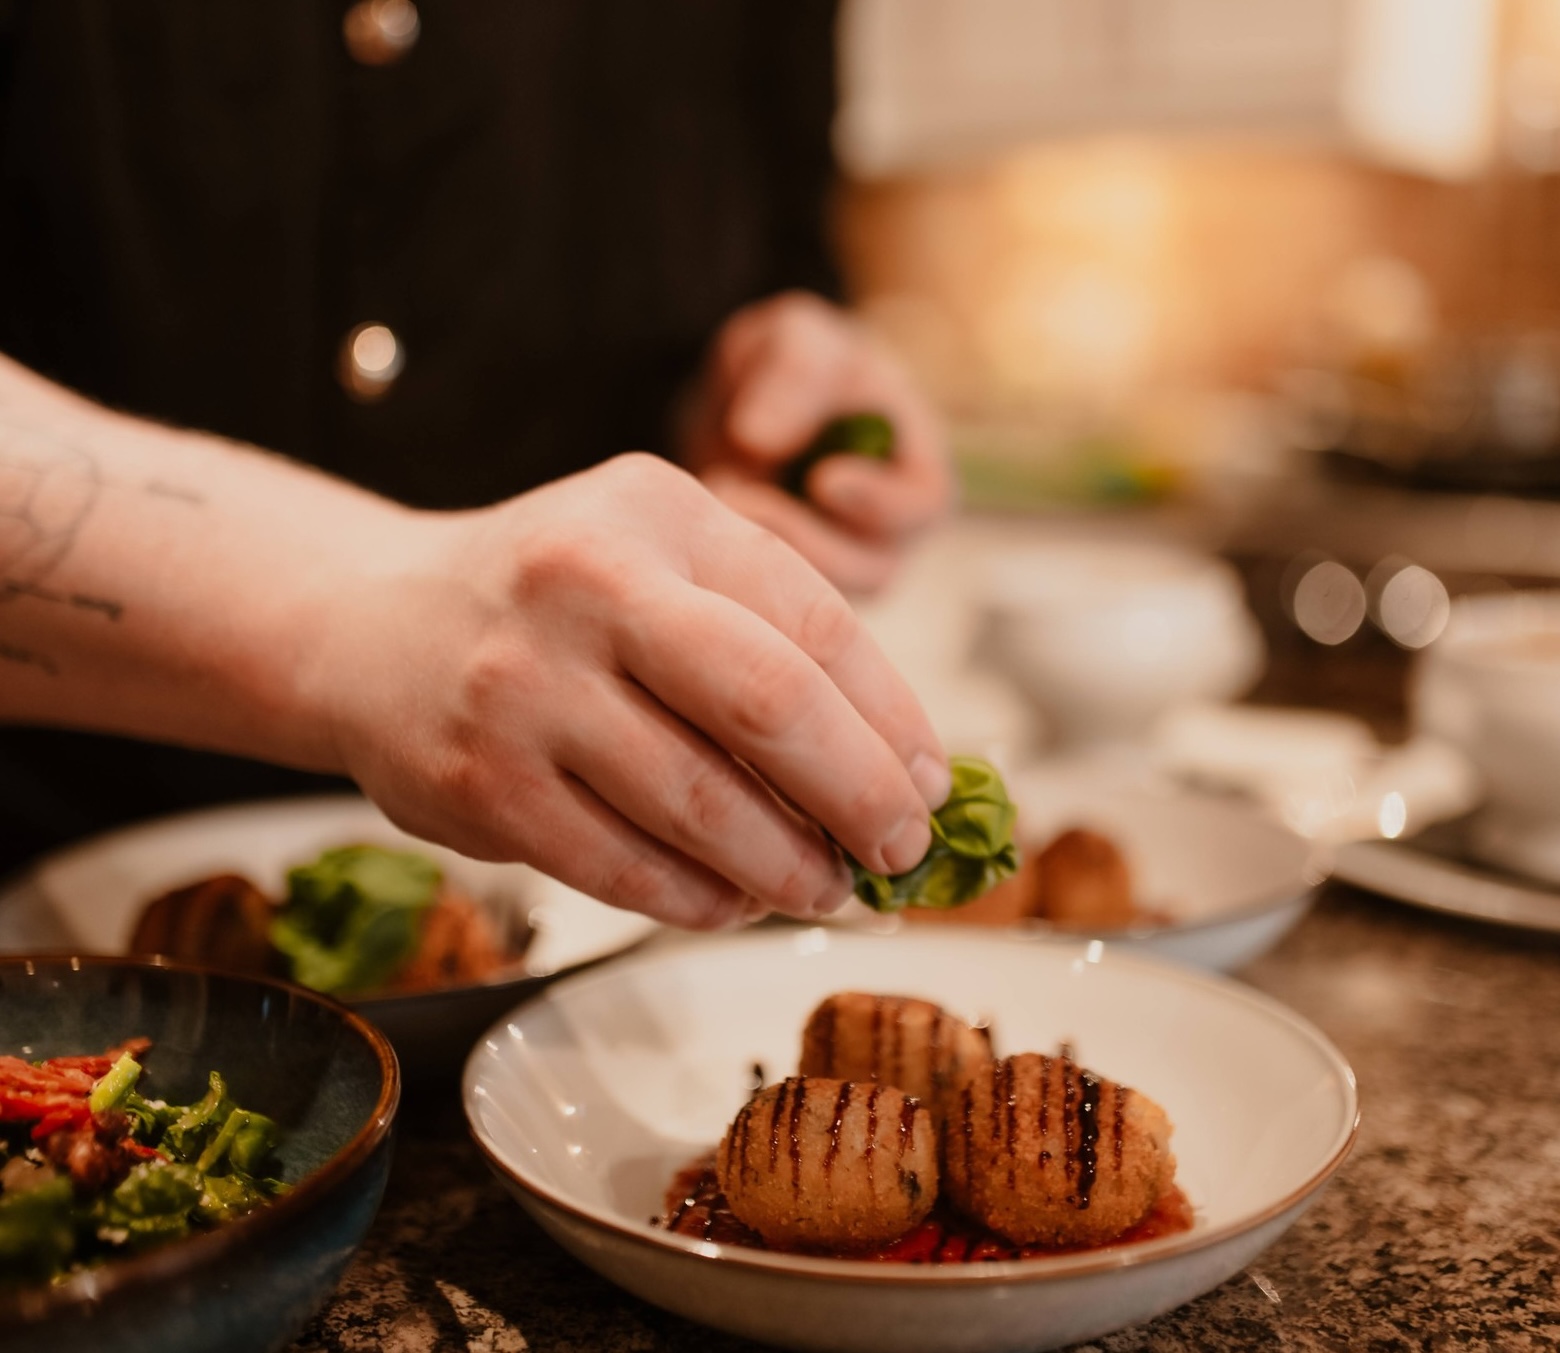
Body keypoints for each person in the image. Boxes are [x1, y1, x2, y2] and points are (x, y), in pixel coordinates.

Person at [0, 2, 955, 928]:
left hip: (607, 933)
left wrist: (761, 395)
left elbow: (774, 233)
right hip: (49, 921)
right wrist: (364, 605)